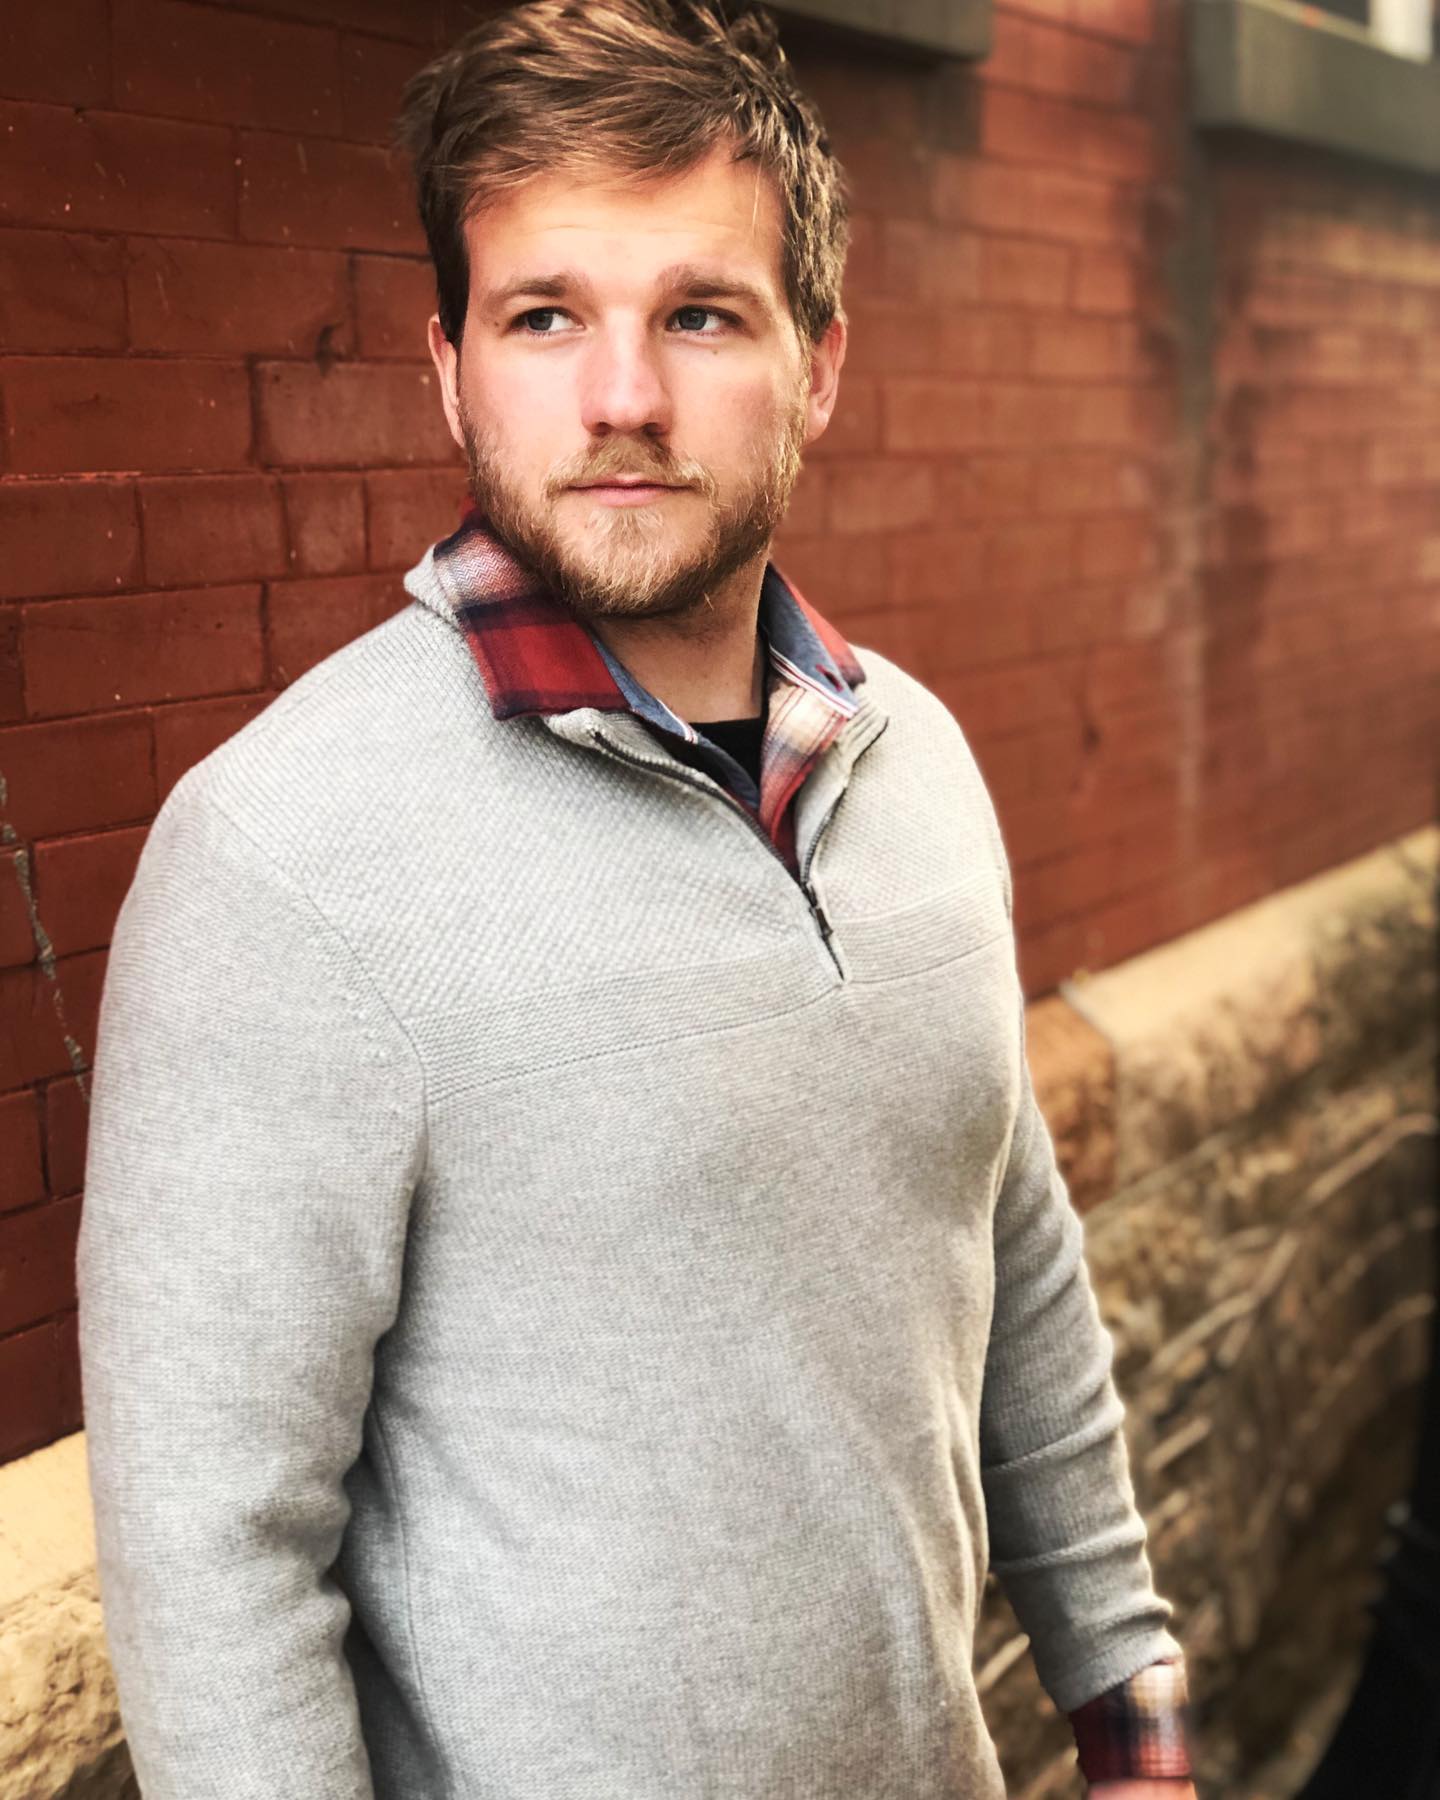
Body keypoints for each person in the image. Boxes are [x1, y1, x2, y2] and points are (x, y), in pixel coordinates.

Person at [77, 2, 1198, 1795]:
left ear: (818, 362)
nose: (622, 397)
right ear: (450, 367)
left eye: (699, 312)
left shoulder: (916, 761)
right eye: (547, 317)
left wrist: (1129, 1707)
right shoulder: (280, 859)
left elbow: (1008, 1241)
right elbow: (215, 1551)